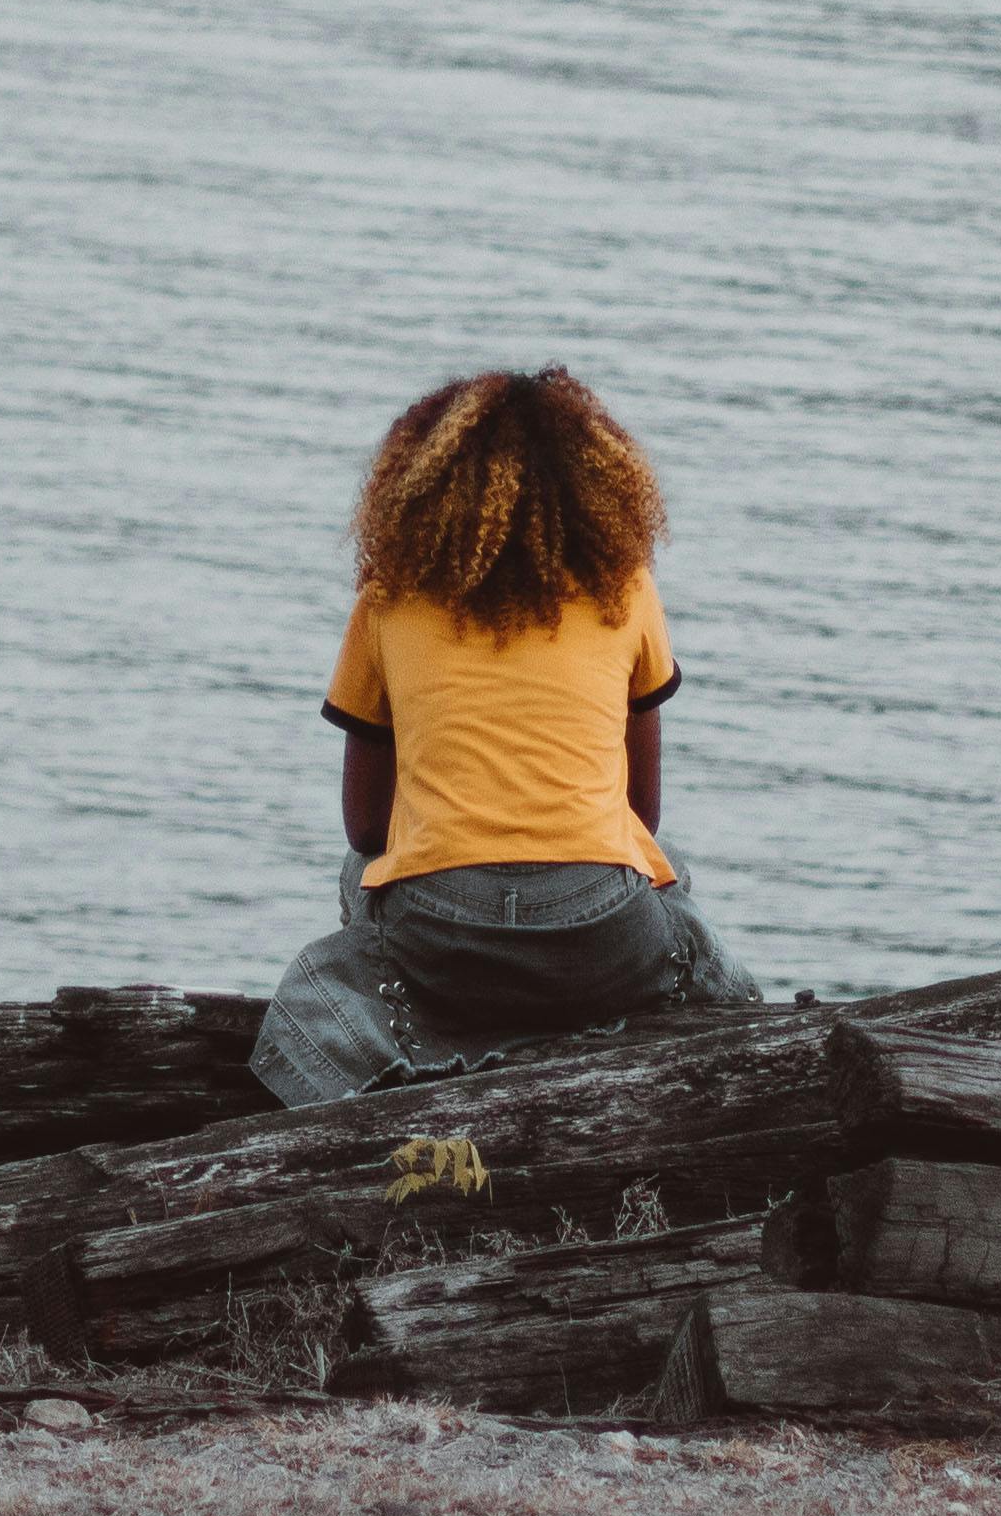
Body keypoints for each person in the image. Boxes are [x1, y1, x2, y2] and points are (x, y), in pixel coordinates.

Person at [250, 366, 763, 1108]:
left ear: (416, 490)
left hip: (442, 937)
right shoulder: (628, 589)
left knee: (357, 882)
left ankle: (412, 1057)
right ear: (600, 492)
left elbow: (365, 826)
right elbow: (639, 813)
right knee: (669, 874)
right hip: (601, 934)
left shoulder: (387, 600)